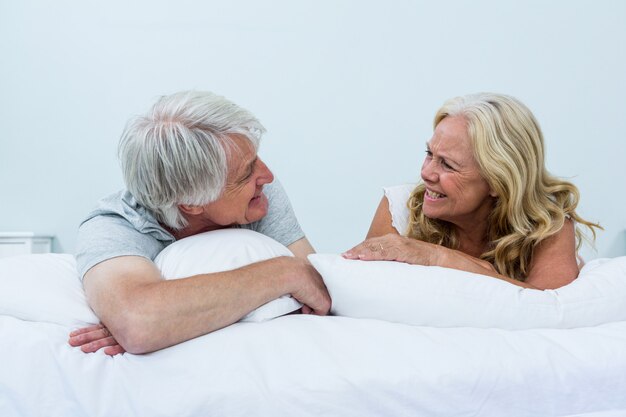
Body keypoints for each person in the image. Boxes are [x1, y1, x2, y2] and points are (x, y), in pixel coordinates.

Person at [69, 90, 331, 355]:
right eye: (246, 173)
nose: (268, 176)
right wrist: (284, 273)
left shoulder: (257, 196)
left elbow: (317, 293)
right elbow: (139, 323)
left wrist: (180, 320)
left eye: (256, 160)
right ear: (191, 203)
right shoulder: (114, 227)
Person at [343, 92, 601, 290]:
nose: (426, 173)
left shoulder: (548, 226)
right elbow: (371, 303)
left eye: (447, 164)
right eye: (429, 154)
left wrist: (438, 258)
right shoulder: (399, 208)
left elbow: (548, 310)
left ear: (498, 182)